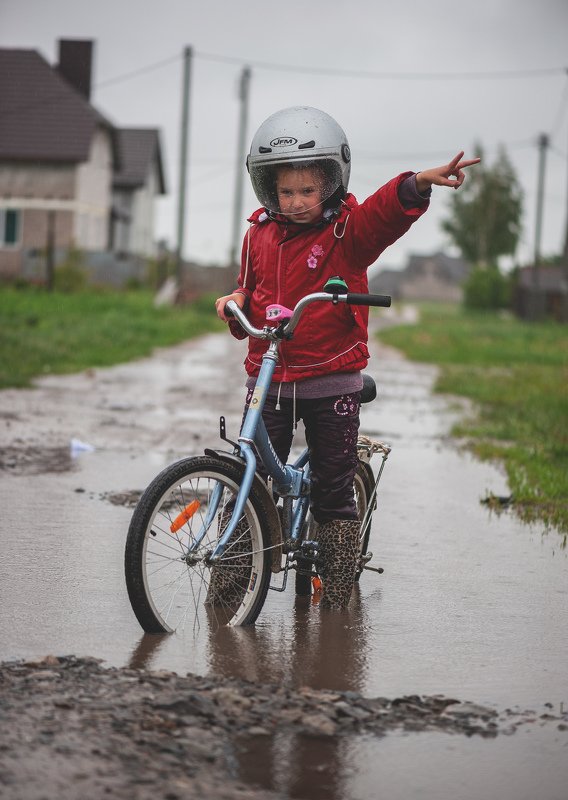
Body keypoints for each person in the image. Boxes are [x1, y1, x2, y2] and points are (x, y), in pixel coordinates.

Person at [215, 106, 479, 610]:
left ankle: (338, 601)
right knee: (251, 479)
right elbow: (249, 289)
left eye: (307, 191)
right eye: (286, 192)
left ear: (331, 184)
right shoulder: (258, 234)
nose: (295, 202)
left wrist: (416, 185)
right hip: (270, 376)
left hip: (331, 379)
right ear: (268, 188)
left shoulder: (346, 233)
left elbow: (381, 215)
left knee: (332, 490)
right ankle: (226, 590)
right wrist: (235, 302)